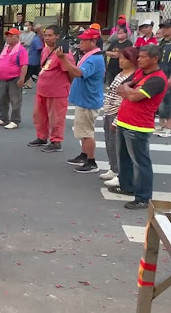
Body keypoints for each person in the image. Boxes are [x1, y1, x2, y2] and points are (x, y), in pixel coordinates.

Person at [109, 45, 169, 210]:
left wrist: (129, 90)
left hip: (139, 125)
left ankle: (143, 197)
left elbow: (134, 96)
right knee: (124, 159)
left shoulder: (157, 79)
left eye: (142, 57)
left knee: (141, 162)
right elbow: (122, 87)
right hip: (124, 120)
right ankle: (126, 186)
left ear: (154, 59)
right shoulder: (140, 73)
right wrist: (129, 90)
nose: (139, 59)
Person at [57, 29, 105, 173]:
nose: (81, 43)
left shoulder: (94, 59)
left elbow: (78, 72)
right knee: (82, 130)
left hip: (88, 100)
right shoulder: (90, 56)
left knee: (86, 132)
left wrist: (63, 58)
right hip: (84, 98)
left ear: (93, 42)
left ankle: (91, 161)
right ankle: (84, 155)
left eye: (84, 40)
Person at [29, 25, 74, 153]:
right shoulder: (45, 50)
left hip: (57, 91)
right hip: (42, 90)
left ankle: (56, 141)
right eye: (45, 35)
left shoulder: (64, 53)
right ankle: (42, 137)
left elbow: (70, 71)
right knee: (39, 116)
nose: (47, 38)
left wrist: (66, 85)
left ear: (57, 36)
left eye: (50, 35)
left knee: (56, 118)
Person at [99, 47, 138, 187]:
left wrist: (117, 118)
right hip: (110, 110)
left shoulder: (133, 77)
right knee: (109, 141)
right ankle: (113, 168)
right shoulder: (121, 73)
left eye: (124, 58)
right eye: (120, 58)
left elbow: (126, 100)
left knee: (118, 145)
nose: (121, 61)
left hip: (118, 112)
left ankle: (121, 172)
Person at [0, 28, 28, 129]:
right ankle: (3, 118)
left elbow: (24, 65)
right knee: (2, 100)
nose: (8, 38)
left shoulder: (21, 50)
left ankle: (15, 120)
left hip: (14, 78)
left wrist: (22, 78)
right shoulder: (5, 49)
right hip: (4, 79)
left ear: (17, 37)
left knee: (15, 100)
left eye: (11, 36)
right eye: (7, 36)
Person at [155, 20, 171, 137]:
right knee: (160, 101)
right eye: (162, 27)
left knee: (168, 101)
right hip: (161, 74)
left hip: (169, 75)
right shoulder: (162, 43)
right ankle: (161, 124)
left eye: (166, 27)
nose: (163, 29)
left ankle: (169, 127)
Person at [23, 24, 44, 89]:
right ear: (39, 31)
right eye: (41, 29)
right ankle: (17, 86)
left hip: (35, 61)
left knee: (30, 75)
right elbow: (40, 49)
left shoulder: (38, 38)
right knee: (27, 75)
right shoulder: (36, 39)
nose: (43, 30)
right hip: (33, 61)